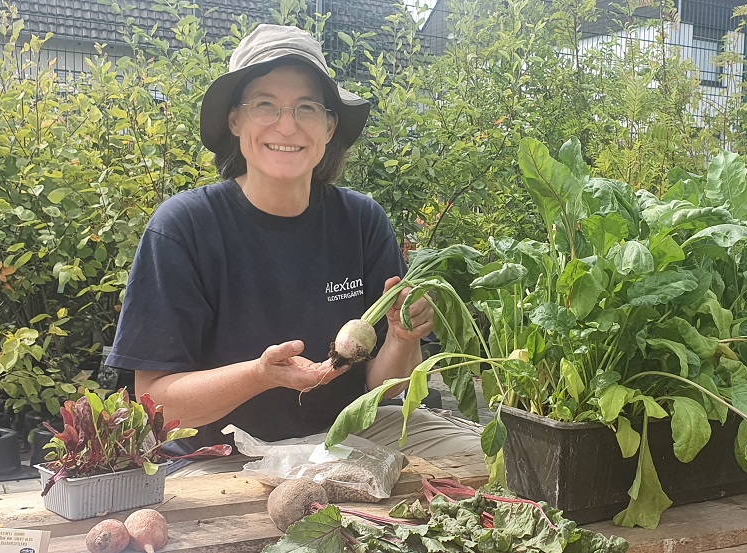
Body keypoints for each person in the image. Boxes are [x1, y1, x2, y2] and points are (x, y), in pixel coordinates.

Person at [105, 24, 481, 475]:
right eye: (265, 104)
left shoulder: (362, 221)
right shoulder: (184, 227)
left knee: (495, 457)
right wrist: (259, 376)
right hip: (224, 453)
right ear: (235, 121)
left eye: (306, 107)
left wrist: (401, 340)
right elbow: (158, 406)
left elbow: (385, 388)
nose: (287, 124)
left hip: (347, 434)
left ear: (328, 126)